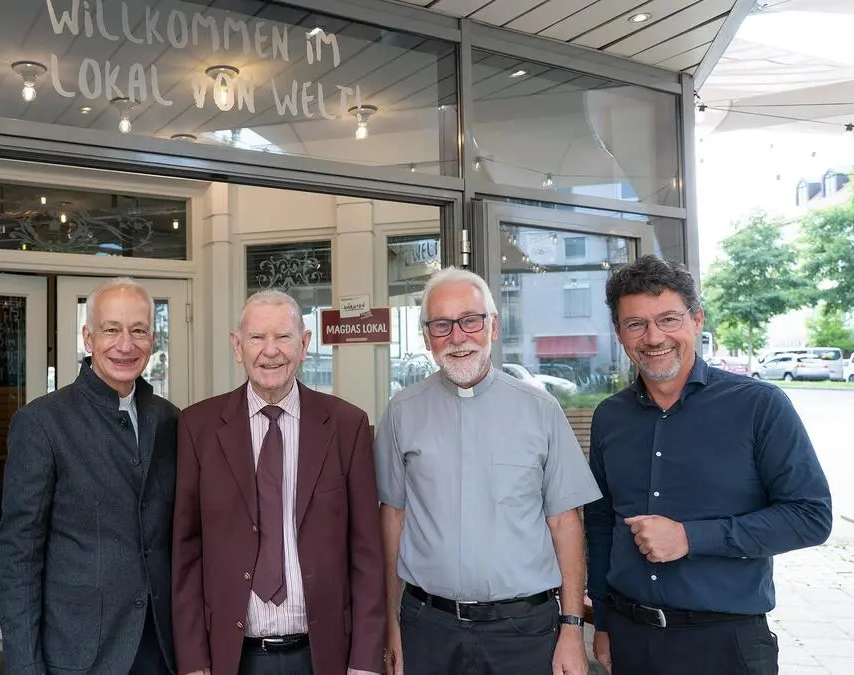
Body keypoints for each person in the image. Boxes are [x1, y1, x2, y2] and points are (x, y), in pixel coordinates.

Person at [584, 255, 832, 675]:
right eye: (636, 324)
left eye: (668, 319)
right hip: (631, 638)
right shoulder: (609, 416)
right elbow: (602, 522)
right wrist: (604, 623)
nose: (653, 336)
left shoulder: (759, 406)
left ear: (697, 320)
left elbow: (811, 517)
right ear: (620, 334)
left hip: (725, 644)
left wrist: (690, 537)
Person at [376, 267, 601, 675]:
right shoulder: (401, 412)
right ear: (427, 337)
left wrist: (571, 627)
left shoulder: (542, 411)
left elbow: (565, 525)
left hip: (524, 632)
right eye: (441, 325)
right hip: (428, 628)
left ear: (493, 327)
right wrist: (391, 623)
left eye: (470, 320)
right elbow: (392, 517)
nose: (457, 337)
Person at [172, 290, 386, 675]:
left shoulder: (347, 426)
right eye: (256, 338)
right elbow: (186, 551)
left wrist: (366, 661)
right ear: (237, 347)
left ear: (304, 344)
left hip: (323, 656)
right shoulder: (197, 427)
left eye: (283, 337)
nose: (270, 351)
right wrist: (192, 661)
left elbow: (367, 553)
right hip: (232, 658)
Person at [0, 277, 180, 675]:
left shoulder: (170, 420)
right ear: (88, 337)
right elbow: (19, 560)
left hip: (162, 650)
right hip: (79, 654)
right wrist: (25, 667)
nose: (125, 344)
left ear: (153, 338)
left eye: (139, 330)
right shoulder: (41, 423)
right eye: (111, 329)